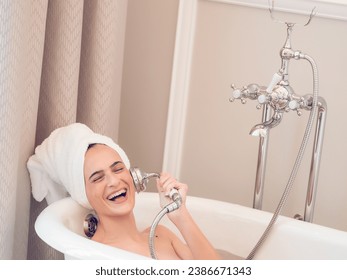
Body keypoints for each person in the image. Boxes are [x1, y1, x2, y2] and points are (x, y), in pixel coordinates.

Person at [27, 123, 220, 260]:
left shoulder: (161, 235)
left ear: (133, 177)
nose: (113, 181)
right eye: (98, 178)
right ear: (83, 194)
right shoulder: (95, 256)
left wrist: (180, 214)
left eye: (118, 169)